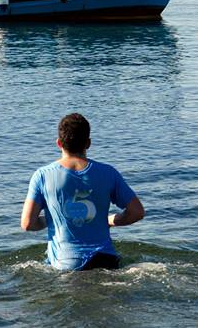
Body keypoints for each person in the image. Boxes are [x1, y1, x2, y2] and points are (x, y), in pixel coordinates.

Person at [21, 113, 144, 271]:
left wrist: (50, 219)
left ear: (59, 143)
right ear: (88, 143)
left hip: (67, 264)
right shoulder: (108, 173)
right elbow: (137, 212)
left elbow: (27, 223)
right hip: (106, 260)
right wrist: (110, 220)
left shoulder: (43, 175)